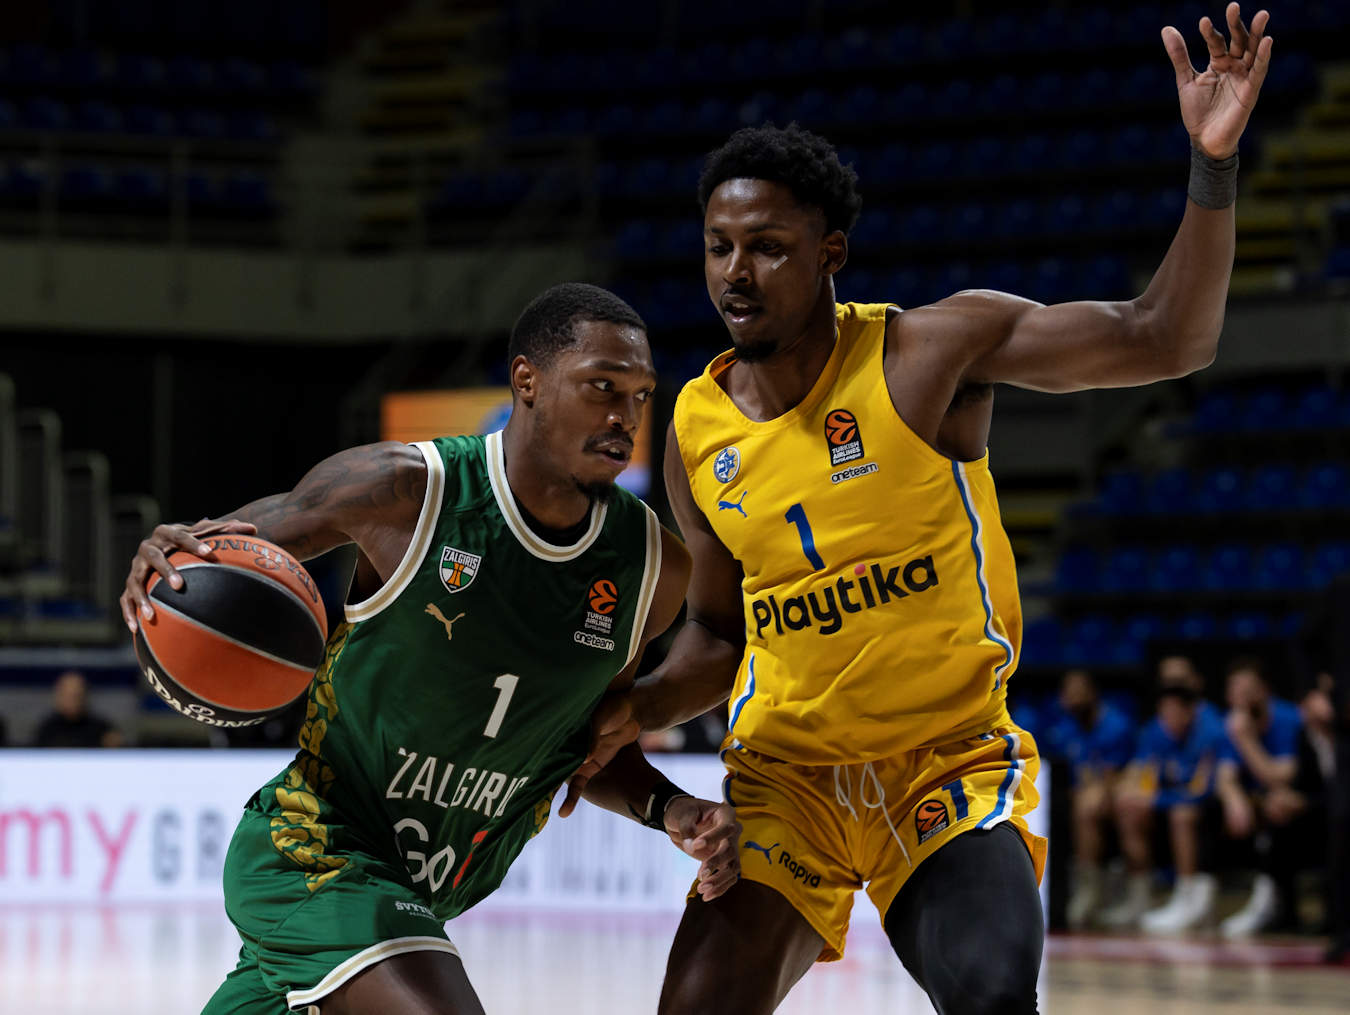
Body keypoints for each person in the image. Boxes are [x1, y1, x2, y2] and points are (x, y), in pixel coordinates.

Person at [573, 7, 1272, 1011]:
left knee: (992, 997)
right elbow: (720, 634)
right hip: (790, 781)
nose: (735, 272)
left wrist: (1212, 165)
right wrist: (631, 709)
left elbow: (1166, 338)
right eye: (719, 246)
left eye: (768, 247)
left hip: (942, 767)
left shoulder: (930, 354)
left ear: (831, 252)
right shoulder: (694, 424)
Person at [118, 283, 740, 1015]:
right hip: (311, 852)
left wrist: (671, 807)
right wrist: (160, 565)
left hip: (420, 894)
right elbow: (208, 557)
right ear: (527, 381)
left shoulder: (650, 568)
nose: (624, 415)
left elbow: (582, 742)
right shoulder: (404, 489)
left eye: (640, 395)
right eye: (602, 386)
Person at [1105, 659, 1231, 933]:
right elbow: (1139, 772)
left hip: (1209, 807)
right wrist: (1128, 791)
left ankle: (1187, 897)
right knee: (1128, 807)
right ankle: (1141, 895)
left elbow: (1201, 791)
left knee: (1181, 815)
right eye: (1164, 712)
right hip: (1169, 803)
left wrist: (1153, 799)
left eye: (1174, 712)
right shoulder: (1156, 729)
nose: (1168, 718)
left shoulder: (1211, 729)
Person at [1213, 656, 1307, 937]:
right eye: (1236, 692)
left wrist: (1246, 740)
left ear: (1265, 691)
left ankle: (1269, 902)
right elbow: (1225, 776)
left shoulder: (1288, 719)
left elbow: (1281, 777)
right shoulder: (1232, 722)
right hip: (1256, 800)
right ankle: (1197, 897)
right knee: (1200, 810)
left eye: (1248, 691)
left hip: (1303, 800)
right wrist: (1234, 799)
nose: (1242, 699)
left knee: (1277, 805)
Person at [1041, 669, 1135, 929]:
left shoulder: (1116, 726)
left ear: (1093, 693)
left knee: (1088, 807)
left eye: (1078, 692)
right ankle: (1059, 889)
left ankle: (1090, 891)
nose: (1072, 699)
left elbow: (1114, 776)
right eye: (1068, 693)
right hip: (1075, 794)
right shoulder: (1063, 729)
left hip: (1118, 791)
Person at [32, 670, 123, 748]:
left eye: (77, 695)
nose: (73, 700)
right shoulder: (46, 730)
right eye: (68, 695)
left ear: (85, 696)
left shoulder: (102, 729)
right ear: (58, 696)